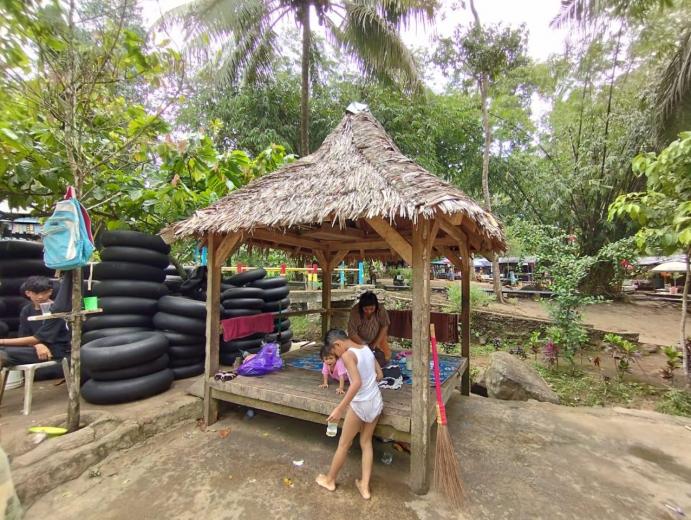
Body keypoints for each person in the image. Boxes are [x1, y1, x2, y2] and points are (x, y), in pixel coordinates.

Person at [316, 329, 383, 500]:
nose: (336, 356)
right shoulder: (365, 348)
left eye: (334, 351)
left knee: (344, 444)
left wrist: (340, 409)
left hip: (360, 404)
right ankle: (364, 487)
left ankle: (330, 480)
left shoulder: (347, 355)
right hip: (375, 401)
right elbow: (379, 374)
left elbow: (356, 383)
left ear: (337, 344)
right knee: (366, 443)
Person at [0, 275, 71, 379]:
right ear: (28, 293)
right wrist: (38, 345)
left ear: (50, 292)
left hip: (56, 350)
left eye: (44, 292)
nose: (40, 297)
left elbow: (39, 338)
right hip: (35, 349)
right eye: (36, 293)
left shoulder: (57, 310)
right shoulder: (26, 310)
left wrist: (2, 341)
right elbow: (24, 336)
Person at [347, 291, 390, 366]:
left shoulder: (380, 309)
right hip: (358, 339)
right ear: (361, 307)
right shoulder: (355, 311)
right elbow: (352, 333)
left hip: (378, 337)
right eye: (366, 309)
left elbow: (385, 325)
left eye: (372, 309)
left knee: (385, 358)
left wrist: (375, 344)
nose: (369, 311)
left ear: (376, 306)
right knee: (354, 359)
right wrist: (364, 345)